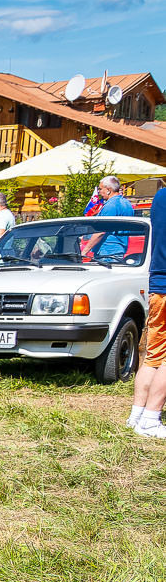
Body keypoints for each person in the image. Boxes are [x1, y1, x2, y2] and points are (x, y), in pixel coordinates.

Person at [129, 184, 166, 438]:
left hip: (158, 284)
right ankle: (151, 419)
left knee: (154, 356)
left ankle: (137, 416)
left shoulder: (160, 196)